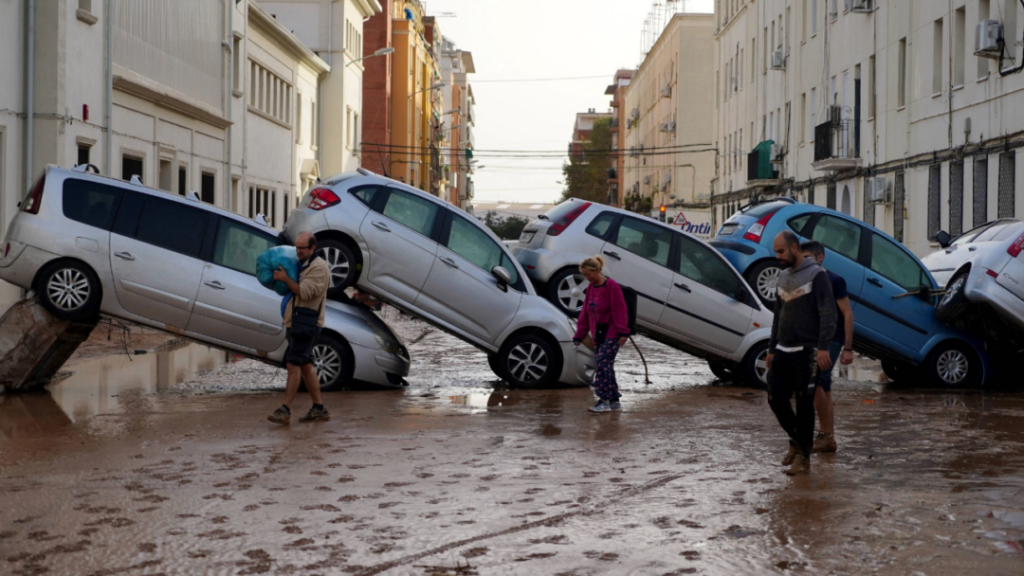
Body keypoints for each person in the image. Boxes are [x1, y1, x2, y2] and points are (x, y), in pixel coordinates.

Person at [766, 231, 836, 475]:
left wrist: (823, 347)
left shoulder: (817, 275)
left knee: (805, 404)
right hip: (783, 350)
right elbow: (778, 316)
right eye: (776, 252)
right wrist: (771, 348)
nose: (778, 257)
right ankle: (798, 441)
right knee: (775, 398)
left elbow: (829, 313)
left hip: (808, 351)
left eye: (781, 251)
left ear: (794, 248)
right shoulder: (783, 276)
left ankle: (803, 458)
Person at [267, 232, 332, 424]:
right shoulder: (302, 263)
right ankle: (319, 408)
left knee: (293, 364)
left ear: (312, 248)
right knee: (305, 365)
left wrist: (286, 279)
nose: (298, 251)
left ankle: (285, 410)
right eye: (296, 247)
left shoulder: (319, 269)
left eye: (301, 248)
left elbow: (304, 293)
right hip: (296, 323)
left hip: (307, 325)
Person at [800, 240, 854, 454]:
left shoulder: (834, 280)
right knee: (824, 388)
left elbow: (848, 314)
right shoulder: (804, 280)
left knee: (816, 385)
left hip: (832, 339)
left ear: (820, 258)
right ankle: (828, 438)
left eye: (808, 259)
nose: (803, 263)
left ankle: (824, 435)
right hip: (814, 339)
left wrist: (848, 348)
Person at [572, 256, 630, 413]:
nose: (586, 278)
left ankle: (603, 400)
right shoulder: (591, 288)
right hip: (598, 335)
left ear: (597, 270)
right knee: (607, 367)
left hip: (612, 334)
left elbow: (620, 310)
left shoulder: (611, 286)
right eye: (584, 275)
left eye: (588, 274)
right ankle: (614, 401)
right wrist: (579, 335)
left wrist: (623, 332)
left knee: (602, 364)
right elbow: (585, 313)